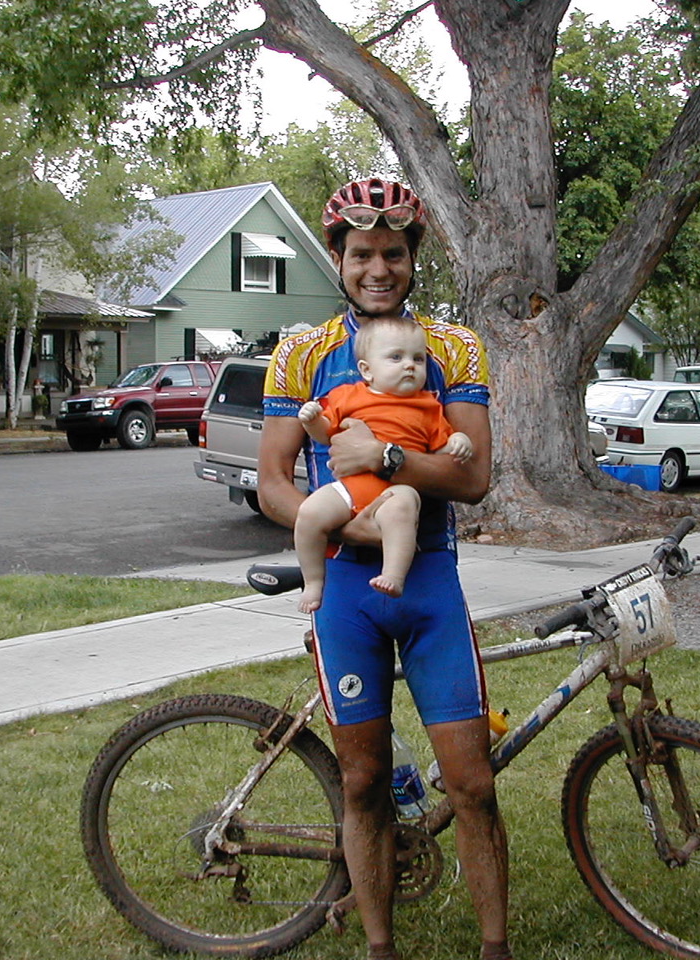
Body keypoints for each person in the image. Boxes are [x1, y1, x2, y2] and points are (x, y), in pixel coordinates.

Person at [259, 179, 511, 960]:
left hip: (428, 578)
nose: (378, 269)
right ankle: (379, 948)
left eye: (393, 254)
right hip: (345, 590)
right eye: (362, 254)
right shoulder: (301, 354)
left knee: (471, 782)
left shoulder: (453, 348)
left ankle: (495, 948)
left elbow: (473, 478)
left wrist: (390, 457)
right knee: (363, 781)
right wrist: (348, 519)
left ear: (411, 258)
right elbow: (272, 482)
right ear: (337, 258)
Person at [293, 315, 473, 613]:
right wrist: (312, 421)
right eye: (396, 357)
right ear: (367, 369)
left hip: (397, 488)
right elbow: (326, 433)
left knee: (402, 510)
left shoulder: (429, 407)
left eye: (418, 359)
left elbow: (441, 448)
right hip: (351, 488)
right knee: (309, 513)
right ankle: (313, 581)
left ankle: (393, 575)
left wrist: (459, 440)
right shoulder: (346, 396)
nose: (409, 365)